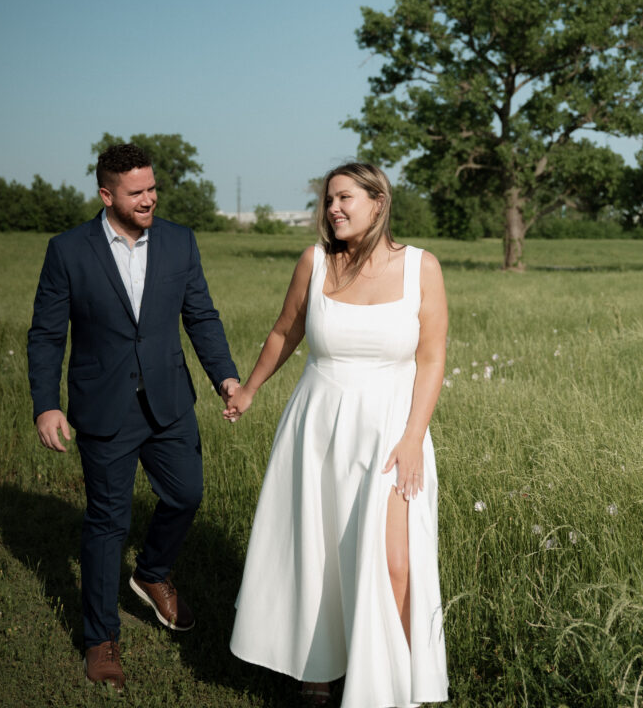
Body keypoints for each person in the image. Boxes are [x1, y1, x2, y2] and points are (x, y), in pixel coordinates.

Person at [224, 163, 449, 707]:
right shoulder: (316, 261)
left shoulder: (422, 267)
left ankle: (396, 687)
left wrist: (414, 437)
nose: (333, 210)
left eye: (344, 198)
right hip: (318, 427)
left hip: (392, 434)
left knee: (397, 561)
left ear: (378, 201)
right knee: (320, 550)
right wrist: (251, 389)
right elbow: (285, 330)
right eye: (328, 201)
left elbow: (432, 356)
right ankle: (317, 670)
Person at [27, 142, 239, 691]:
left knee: (187, 494)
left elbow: (201, 315)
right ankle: (101, 639)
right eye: (136, 192)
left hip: (169, 401)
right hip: (104, 408)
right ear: (107, 194)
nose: (149, 199)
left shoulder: (179, 241)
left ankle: (150, 572)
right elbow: (48, 334)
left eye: (152, 188)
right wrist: (46, 404)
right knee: (107, 522)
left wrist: (226, 377)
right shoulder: (67, 251)